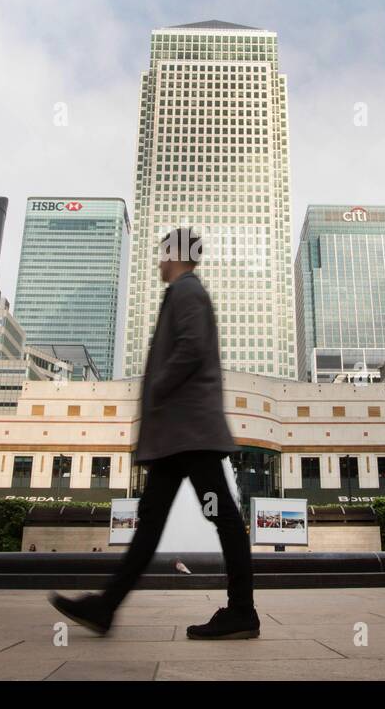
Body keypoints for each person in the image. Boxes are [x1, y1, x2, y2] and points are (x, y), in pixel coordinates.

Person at [50, 228, 258, 640]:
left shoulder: (187, 291)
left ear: (174, 254)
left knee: (224, 520)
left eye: (163, 253)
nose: (159, 261)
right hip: (180, 434)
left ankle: (242, 612)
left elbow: (192, 349)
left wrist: (157, 388)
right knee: (158, 522)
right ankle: (106, 606)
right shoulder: (184, 293)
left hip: (188, 432)